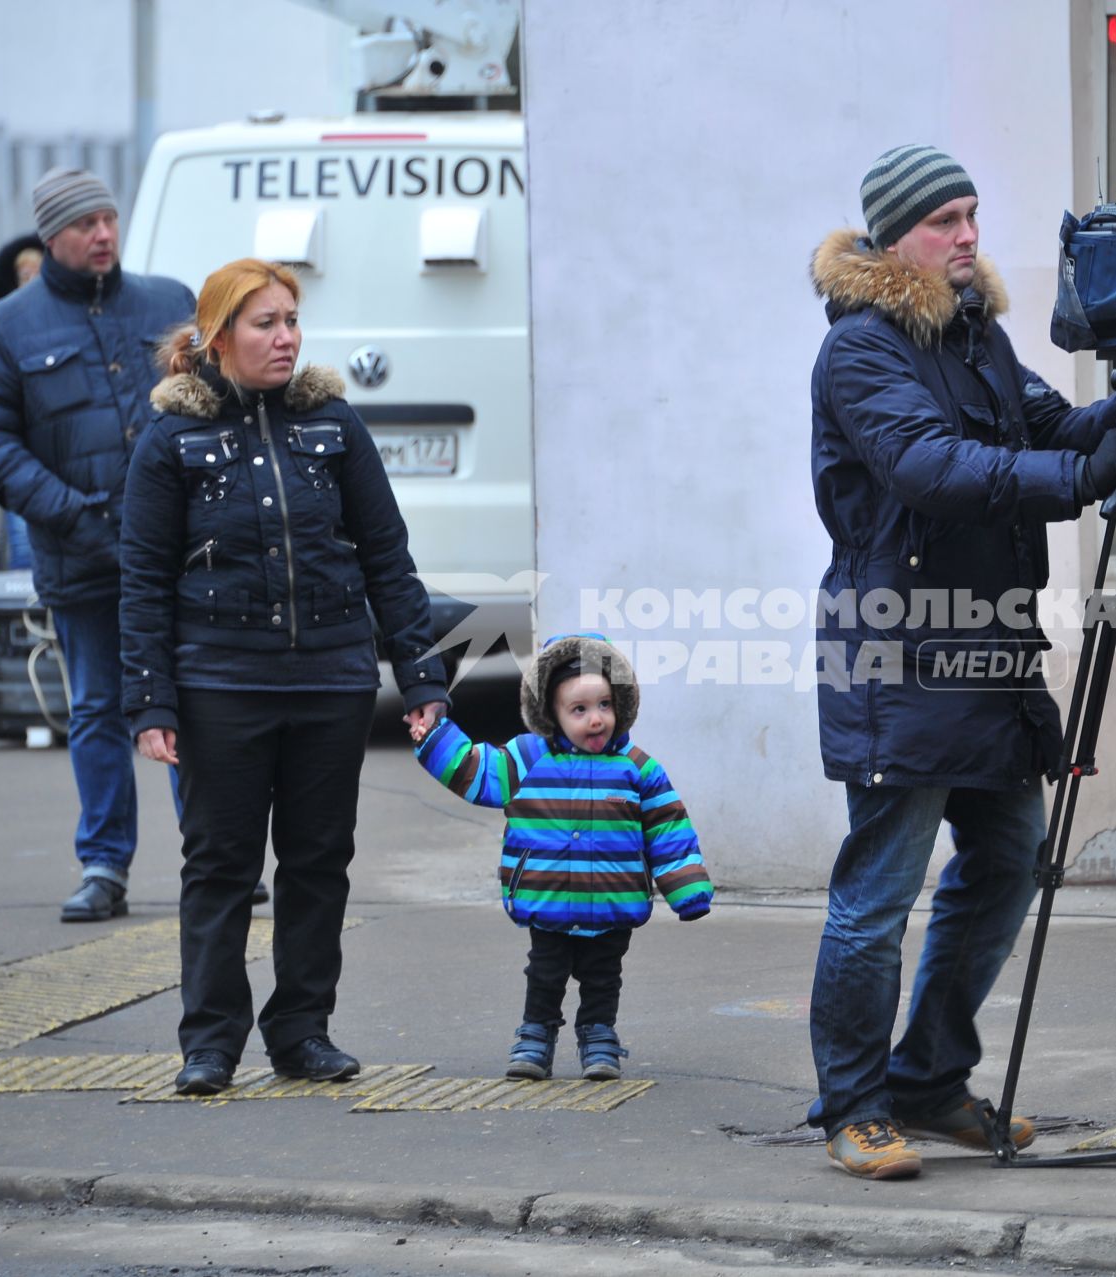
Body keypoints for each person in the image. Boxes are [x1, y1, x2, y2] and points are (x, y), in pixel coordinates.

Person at [806, 144, 1116, 1179]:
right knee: (879, 894)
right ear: (892, 236)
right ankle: (855, 1103)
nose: (967, 235)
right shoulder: (862, 351)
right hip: (897, 654)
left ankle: (928, 1076)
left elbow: (1054, 425)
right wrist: (1082, 476)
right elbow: (930, 465)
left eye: (971, 215)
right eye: (945, 219)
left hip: (987, 650)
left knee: (1007, 863)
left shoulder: (977, 337)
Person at [119, 258, 448, 1095]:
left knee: (316, 862)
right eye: (266, 323)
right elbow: (144, 581)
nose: (286, 338)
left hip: (331, 681)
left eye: (292, 320)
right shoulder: (172, 439)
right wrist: (152, 699)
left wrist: (422, 679)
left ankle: (303, 1030)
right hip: (220, 686)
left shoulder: (332, 425)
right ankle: (211, 1042)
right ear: (218, 336)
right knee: (221, 864)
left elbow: (388, 559)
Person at [0, 168, 196, 922]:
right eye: (83, 223)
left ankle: (213, 856)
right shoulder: (7, 327)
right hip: (80, 552)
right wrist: (68, 511)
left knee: (192, 702)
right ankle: (104, 864)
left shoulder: (168, 304)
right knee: (97, 706)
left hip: (182, 555)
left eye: (108, 219)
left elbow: (216, 401)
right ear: (49, 236)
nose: (102, 234)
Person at [410, 633, 713, 1081]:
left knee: (603, 977)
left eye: (605, 705)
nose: (596, 720)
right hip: (546, 895)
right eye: (579, 709)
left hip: (612, 901)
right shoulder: (527, 758)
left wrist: (687, 889)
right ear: (551, 713)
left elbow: (668, 827)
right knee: (546, 972)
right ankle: (535, 1036)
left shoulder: (637, 767)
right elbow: (475, 771)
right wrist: (433, 737)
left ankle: (598, 1038)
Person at [0, 231, 47, 571]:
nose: (31, 281)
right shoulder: (5, 332)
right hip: (24, 457)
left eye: (37, 273)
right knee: (23, 554)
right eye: (24, 276)